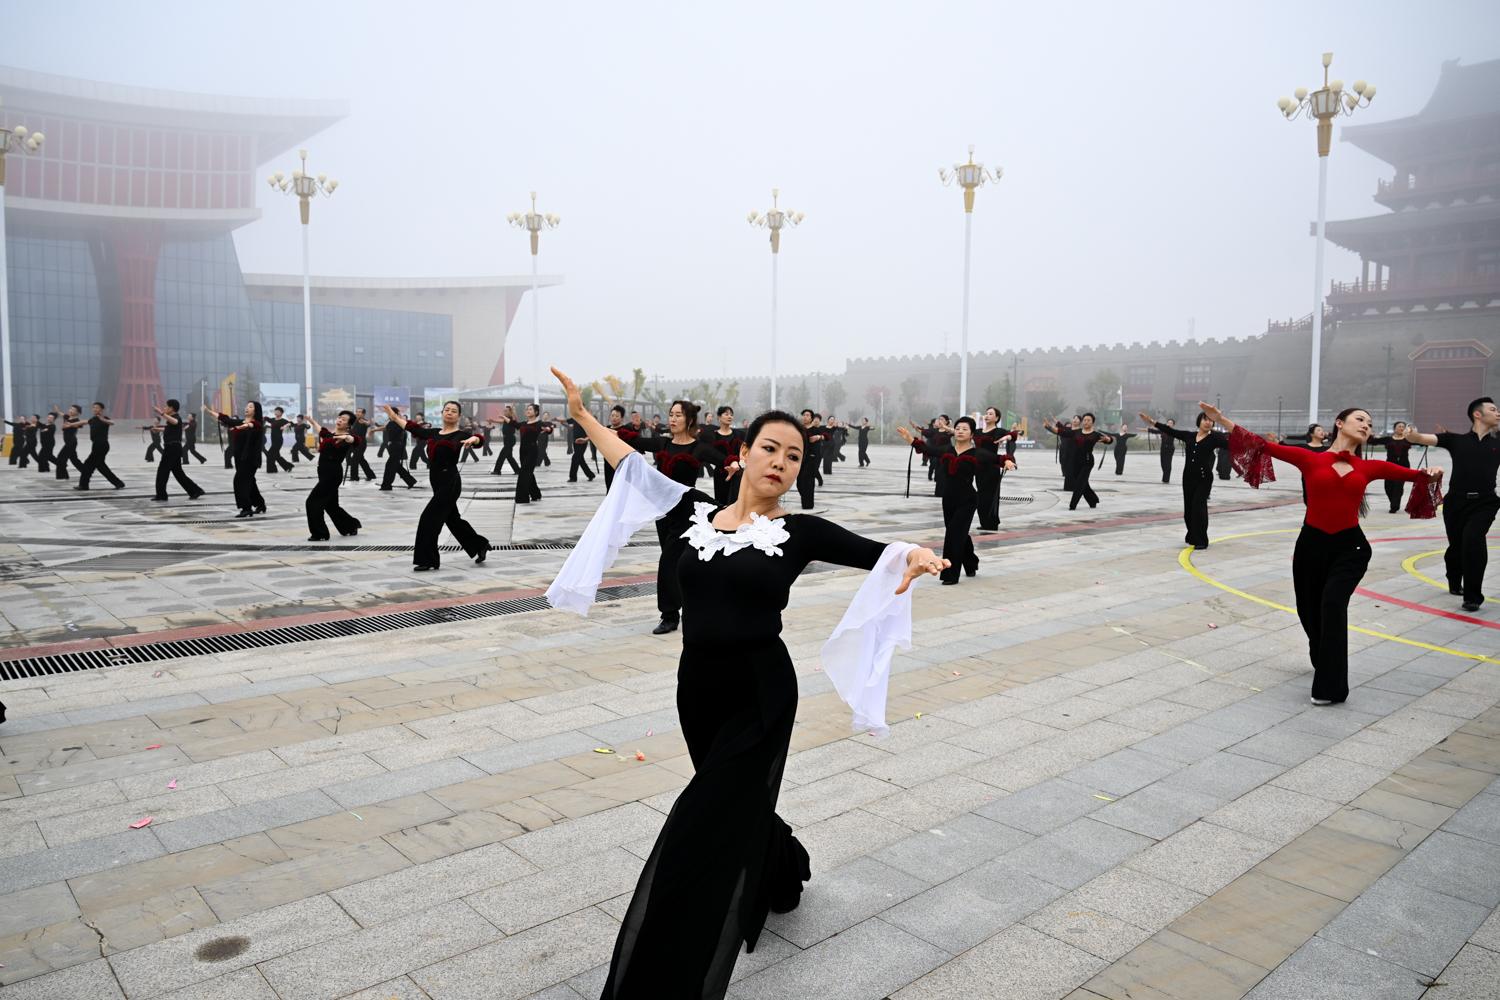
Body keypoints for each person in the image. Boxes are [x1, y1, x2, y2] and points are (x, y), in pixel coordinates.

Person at [545, 365, 946, 1000]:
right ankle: (783, 866)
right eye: (770, 448)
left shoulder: (799, 531)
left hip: (761, 692)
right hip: (698, 689)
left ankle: (664, 980)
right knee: (733, 801)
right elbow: (630, 465)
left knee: (699, 826)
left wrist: (918, 555)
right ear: (744, 454)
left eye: (794, 456)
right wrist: (583, 415)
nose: (781, 462)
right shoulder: (692, 514)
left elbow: (879, 552)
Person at [1210, 401, 1442, 704]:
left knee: (1332, 604)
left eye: (1370, 424)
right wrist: (1222, 419)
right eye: (1360, 419)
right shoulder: (1310, 458)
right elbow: (1262, 445)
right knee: (1308, 611)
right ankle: (1322, 654)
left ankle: (1330, 688)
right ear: (1340, 423)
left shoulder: (1370, 467)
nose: (1366, 425)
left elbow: (1417, 476)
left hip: (1351, 548)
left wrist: (1432, 472)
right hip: (1311, 546)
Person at [627, 399, 735, 634]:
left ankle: (669, 615)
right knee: (677, 563)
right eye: (671, 414)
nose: (673, 419)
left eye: (678, 415)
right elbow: (633, 441)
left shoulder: (698, 448)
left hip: (687, 514)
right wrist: (603, 431)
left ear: (689, 420)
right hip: (663, 513)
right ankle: (688, 608)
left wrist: (734, 465)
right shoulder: (663, 443)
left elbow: (724, 461)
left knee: (669, 562)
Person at [1402, 397, 1500, 612]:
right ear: (1477, 414)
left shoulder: (1497, 442)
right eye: (1493, 409)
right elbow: (1421, 438)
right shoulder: (1455, 440)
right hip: (1456, 502)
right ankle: (1454, 579)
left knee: (1473, 540)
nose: (1498, 412)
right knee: (1457, 546)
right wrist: (1411, 434)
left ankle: (1473, 596)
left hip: (1485, 502)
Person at [899, 416, 1015, 584]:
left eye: (965, 429)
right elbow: (928, 450)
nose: (960, 431)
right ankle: (971, 563)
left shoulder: (978, 453)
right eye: (958, 428)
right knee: (959, 533)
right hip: (948, 499)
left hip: (967, 500)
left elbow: (998, 459)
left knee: (953, 534)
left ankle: (950, 575)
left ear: (971, 434)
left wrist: (1008, 462)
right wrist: (910, 439)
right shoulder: (947, 450)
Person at [383, 401, 489, 570]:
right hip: (436, 481)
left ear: (459, 416)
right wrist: (394, 418)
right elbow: (412, 428)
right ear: (442, 413)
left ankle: (427, 560)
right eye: (447, 410)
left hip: (450, 482)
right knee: (452, 519)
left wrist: (475, 439)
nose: (449, 412)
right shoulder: (433, 433)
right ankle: (479, 545)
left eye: (454, 411)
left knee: (428, 519)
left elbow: (478, 440)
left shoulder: (461, 434)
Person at [1141, 410, 1225, 550]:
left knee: (1199, 507)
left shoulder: (1215, 438)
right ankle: (1192, 535)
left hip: (1204, 478)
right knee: (1189, 510)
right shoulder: (1189, 436)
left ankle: (1201, 540)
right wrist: (1153, 422)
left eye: (1211, 420)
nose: (1208, 422)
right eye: (1205, 419)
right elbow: (1170, 431)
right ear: (1199, 421)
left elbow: (1231, 443)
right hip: (1188, 478)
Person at [305, 411, 363, 540]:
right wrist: (312, 421)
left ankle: (320, 534)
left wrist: (346, 437)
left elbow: (355, 440)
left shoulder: (347, 437)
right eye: (339, 417)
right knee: (331, 505)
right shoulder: (330, 435)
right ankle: (350, 526)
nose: (340, 420)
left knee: (312, 502)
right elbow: (321, 430)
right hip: (323, 472)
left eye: (344, 419)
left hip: (332, 474)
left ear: (348, 425)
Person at [1043, 413, 1114, 510]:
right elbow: (1061, 432)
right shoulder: (1076, 432)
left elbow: (1109, 440)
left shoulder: (1096, 434)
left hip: (1087, 461)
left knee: (1080, 484)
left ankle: (1072, 505)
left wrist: (1108, 439)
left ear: (1092, 422)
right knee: (1083, 483)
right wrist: (1049, 427)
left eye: (1088, 420)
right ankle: (1093, 499)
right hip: (1075, 461)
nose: (1086, 422)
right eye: (1084, 420)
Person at [207, 401, 266, 517]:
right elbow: (225, 419)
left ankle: (246, 508)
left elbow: (253, 425)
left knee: (239, 481)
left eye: (250, 407)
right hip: (240, 458)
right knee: (250, 482)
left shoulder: (257, 424)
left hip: (250, 459)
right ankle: (260, 504)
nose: (247, 408)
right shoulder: (240, 422)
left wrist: (244, 426)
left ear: (255, 410)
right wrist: (209, 411)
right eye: (247, 406)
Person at [974, 407, 1019, 532]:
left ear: (997, 418)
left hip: (992, 467)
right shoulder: (977, 432)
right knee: (981, 496)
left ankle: (992, 523)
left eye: (990, 414)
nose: (987, 416)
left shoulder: (998, 431)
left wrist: (1007, 437)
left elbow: (1013, 435)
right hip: (979, 468)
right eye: (986, 413)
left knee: (991, 496)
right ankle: (984, 522)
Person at [150, 399, 204, 503]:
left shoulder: (176, 418)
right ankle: (195, 491)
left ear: (171, 408)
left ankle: (161, 495)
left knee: (162, 471)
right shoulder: (172, 419)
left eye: (166, 406)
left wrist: (161, 413)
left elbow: (175, 422)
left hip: (172, 448)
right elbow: (170, 428)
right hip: (173, 448)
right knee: (178, 473)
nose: (165, 408)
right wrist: (158, 429)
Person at [75, 402, 125, 491]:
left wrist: (102, 419)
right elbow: (84, 422)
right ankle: (118, 483)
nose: (95, 409)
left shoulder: (105, 419)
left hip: (102, 445)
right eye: (93, 407)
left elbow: (112, 422)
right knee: (101, 466)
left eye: (97, 407)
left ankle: (83, 485)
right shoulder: (93, 419)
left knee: (88, 464)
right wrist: (71, 425)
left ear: (102, 410)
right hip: (96, 445)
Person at [1368, 422, 1414, 513]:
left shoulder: (1408, 439)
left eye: (1403, 427)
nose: (1401, 428)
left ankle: (1394, 506)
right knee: (1388, 486)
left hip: (1403, 466)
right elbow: (1372, 442)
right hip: (1389, 465)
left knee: (1398, 486)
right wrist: (1369, 434)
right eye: (1399, 426)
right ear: (1394, 428)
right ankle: (1393, 502)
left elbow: (1421, 442)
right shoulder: (1388, 439)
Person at [702, 405, 743, 504]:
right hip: (720, 473)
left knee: (736, 502)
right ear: (719, 417)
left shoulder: (738, 434)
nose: (730, 416)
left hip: (737, 472)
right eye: (726, 414)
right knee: (721, 502)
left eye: (731, 415)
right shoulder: (714, 436)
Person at [514, 403, 553, 504]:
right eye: (527, 409)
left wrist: (548, 429)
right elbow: (514, 424)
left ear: (536, 412)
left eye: (530, 409)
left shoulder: (539, 423)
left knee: (523, 473)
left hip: (532, 450)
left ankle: (522, 498)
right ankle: (536, 494)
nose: (528, 411)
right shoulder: (523, 423)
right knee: (528, 473)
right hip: (522, 451)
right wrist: (508, 415)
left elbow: (549, 429)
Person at [377, 408, 418, 490]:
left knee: (390, 466)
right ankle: (410, 481)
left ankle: (386, 485)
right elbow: (385, 428)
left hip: (396, 446)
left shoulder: (398, 422)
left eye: (389, 412)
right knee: (396, 466)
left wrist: (399, 418)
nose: (388, 414)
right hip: (393, 446)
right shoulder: (391, 422)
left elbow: (403, 432)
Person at [795, 409, 826, 510]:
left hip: (812, 457)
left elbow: (827, 436)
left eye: (807, 415)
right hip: (801, 458)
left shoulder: (815, 429)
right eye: (804, 415)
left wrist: (819, 437)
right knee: (799, 482)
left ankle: (808, 504)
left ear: (811, 418)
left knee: (809, 481)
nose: (805, 417)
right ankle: (805, 500)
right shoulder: (799, 429)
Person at [604, 405, 633, 492]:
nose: (614, 418)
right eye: (612, 415)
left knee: (621, 487)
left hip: (621, 462)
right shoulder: (606, 428)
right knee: (609, 486)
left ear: (622, 418)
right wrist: (585, 439)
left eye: (617, 416)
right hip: (608, 461)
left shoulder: (626, 429)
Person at [54, 405, 85, 480]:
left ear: (77, 412)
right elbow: (62, 414)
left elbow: (80, 425)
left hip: (71, 443)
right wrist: (57, 410)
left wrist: (70, 425)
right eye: (70, 408)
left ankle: (62, 476)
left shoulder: (76, 420)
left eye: (73, 410)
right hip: (68, 442)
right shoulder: (67, 417)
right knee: (74, 459)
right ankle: (86, 471)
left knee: (61, 458)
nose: (71, 410)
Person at [345, 408, 376, 481]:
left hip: (360, 444)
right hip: (353, 443)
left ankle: (354, 477)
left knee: (355, 460)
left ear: (363, 414)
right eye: (357, 411)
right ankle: (371, 475)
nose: (357, 413)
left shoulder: (363, 421)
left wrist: (367, 422)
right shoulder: (354, 421)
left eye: (359, 412)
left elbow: (368, 423)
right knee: (361, 460)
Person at [491, 405, 520, 475]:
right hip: (506, 439)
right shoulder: (506, 419)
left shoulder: (511, 418)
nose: (504, 412)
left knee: (502, 455)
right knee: (509, 456)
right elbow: (501, 421)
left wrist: (513, 411)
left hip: (510, 439)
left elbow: (515, 419)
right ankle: (518, 470)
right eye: (504, 411)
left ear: (510, 412)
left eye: (506, 411)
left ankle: (497, 470)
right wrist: (493, 420)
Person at [264, 407, 294, 474]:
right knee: (276, 456)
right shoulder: (273, 420)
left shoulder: (283, 420)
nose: (276, 412)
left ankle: (272, 470)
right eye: (275, 411)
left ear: (281, 413)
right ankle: (288, 466)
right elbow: (266, 418)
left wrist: (284, 426)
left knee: (270, 454)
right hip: (273, 440)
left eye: (278, 411)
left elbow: (291, 423)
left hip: (278, 440)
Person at [567, 415, 596, 482]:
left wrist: (586, 439)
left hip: (582, 442)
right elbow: (566, 421)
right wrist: (558, 420)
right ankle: (590, 475)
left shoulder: (585, 418)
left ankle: (573, 477)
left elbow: (591, 430)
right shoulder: (575, 418)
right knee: (580, 460)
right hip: (575, 442)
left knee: (575, 458)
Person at [1155, 418, 1177, 483]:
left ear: (1173, 425)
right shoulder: (1163, 430)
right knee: (1163, 464)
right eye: (1168, 422)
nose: (1169, 424)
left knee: (1168, 463)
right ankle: (1165, 477)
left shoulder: (1173, 431)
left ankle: (1166, 479)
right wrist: (1147, 430)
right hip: (1163, 448)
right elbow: (1155, 431)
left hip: (1170, 449)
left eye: (1171, 423)